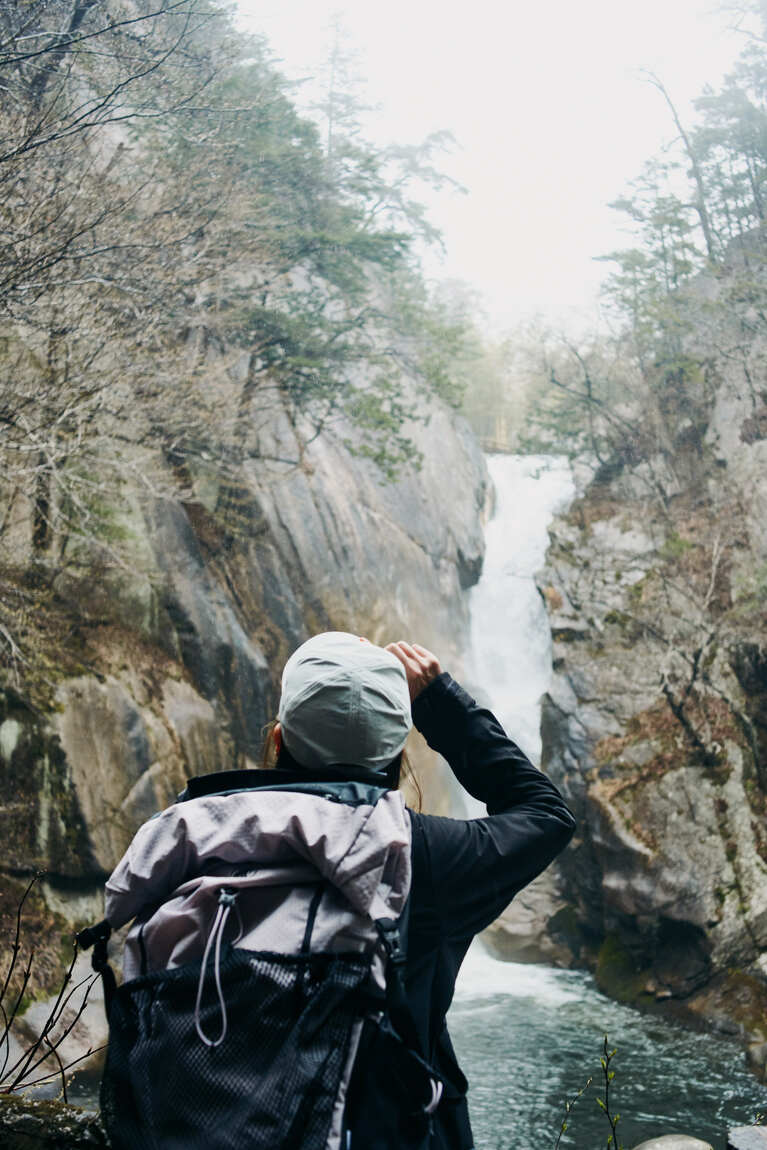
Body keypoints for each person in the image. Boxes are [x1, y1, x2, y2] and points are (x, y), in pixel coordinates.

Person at [100, 631, 575, 1150]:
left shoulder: (187, 836)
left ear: (277, 740)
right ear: (398, 755)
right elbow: (545, 814)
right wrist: (438, 704)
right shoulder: (416, 857)